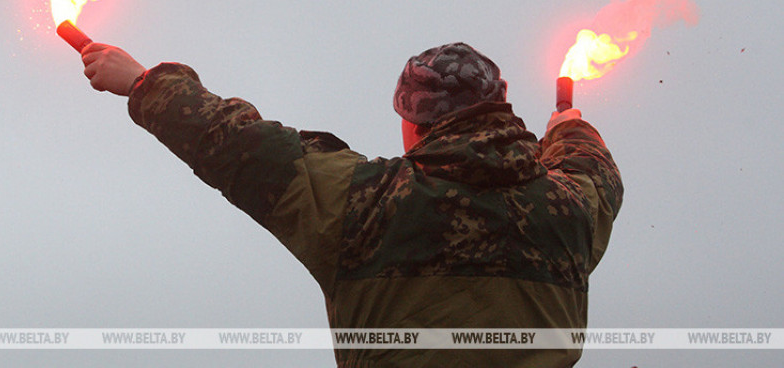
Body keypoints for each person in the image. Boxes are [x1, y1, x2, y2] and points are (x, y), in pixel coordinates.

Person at [80, 41, 623, 367]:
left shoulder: (365, 203)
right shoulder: (568, 212)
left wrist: (142, 84)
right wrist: (571, 128)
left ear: (415, 121)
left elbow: (240, 145)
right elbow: (593, 172)